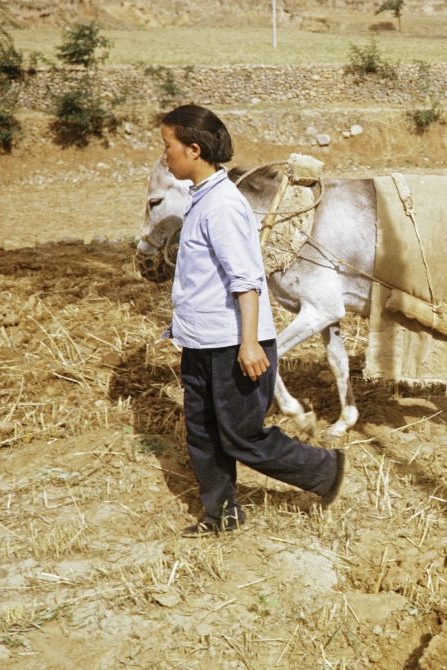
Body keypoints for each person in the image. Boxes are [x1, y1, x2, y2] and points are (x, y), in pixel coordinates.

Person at [158, 104, 344, 537]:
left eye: (168, 147)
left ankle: (324, 469)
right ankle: (220, 514)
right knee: (203, 434)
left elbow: (246, 279)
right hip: (202, 342)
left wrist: (250, 343)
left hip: (232, 345)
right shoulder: (202, 199)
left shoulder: (221, 205)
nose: (164, 157)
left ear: (194, 148)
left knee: (241, 436)